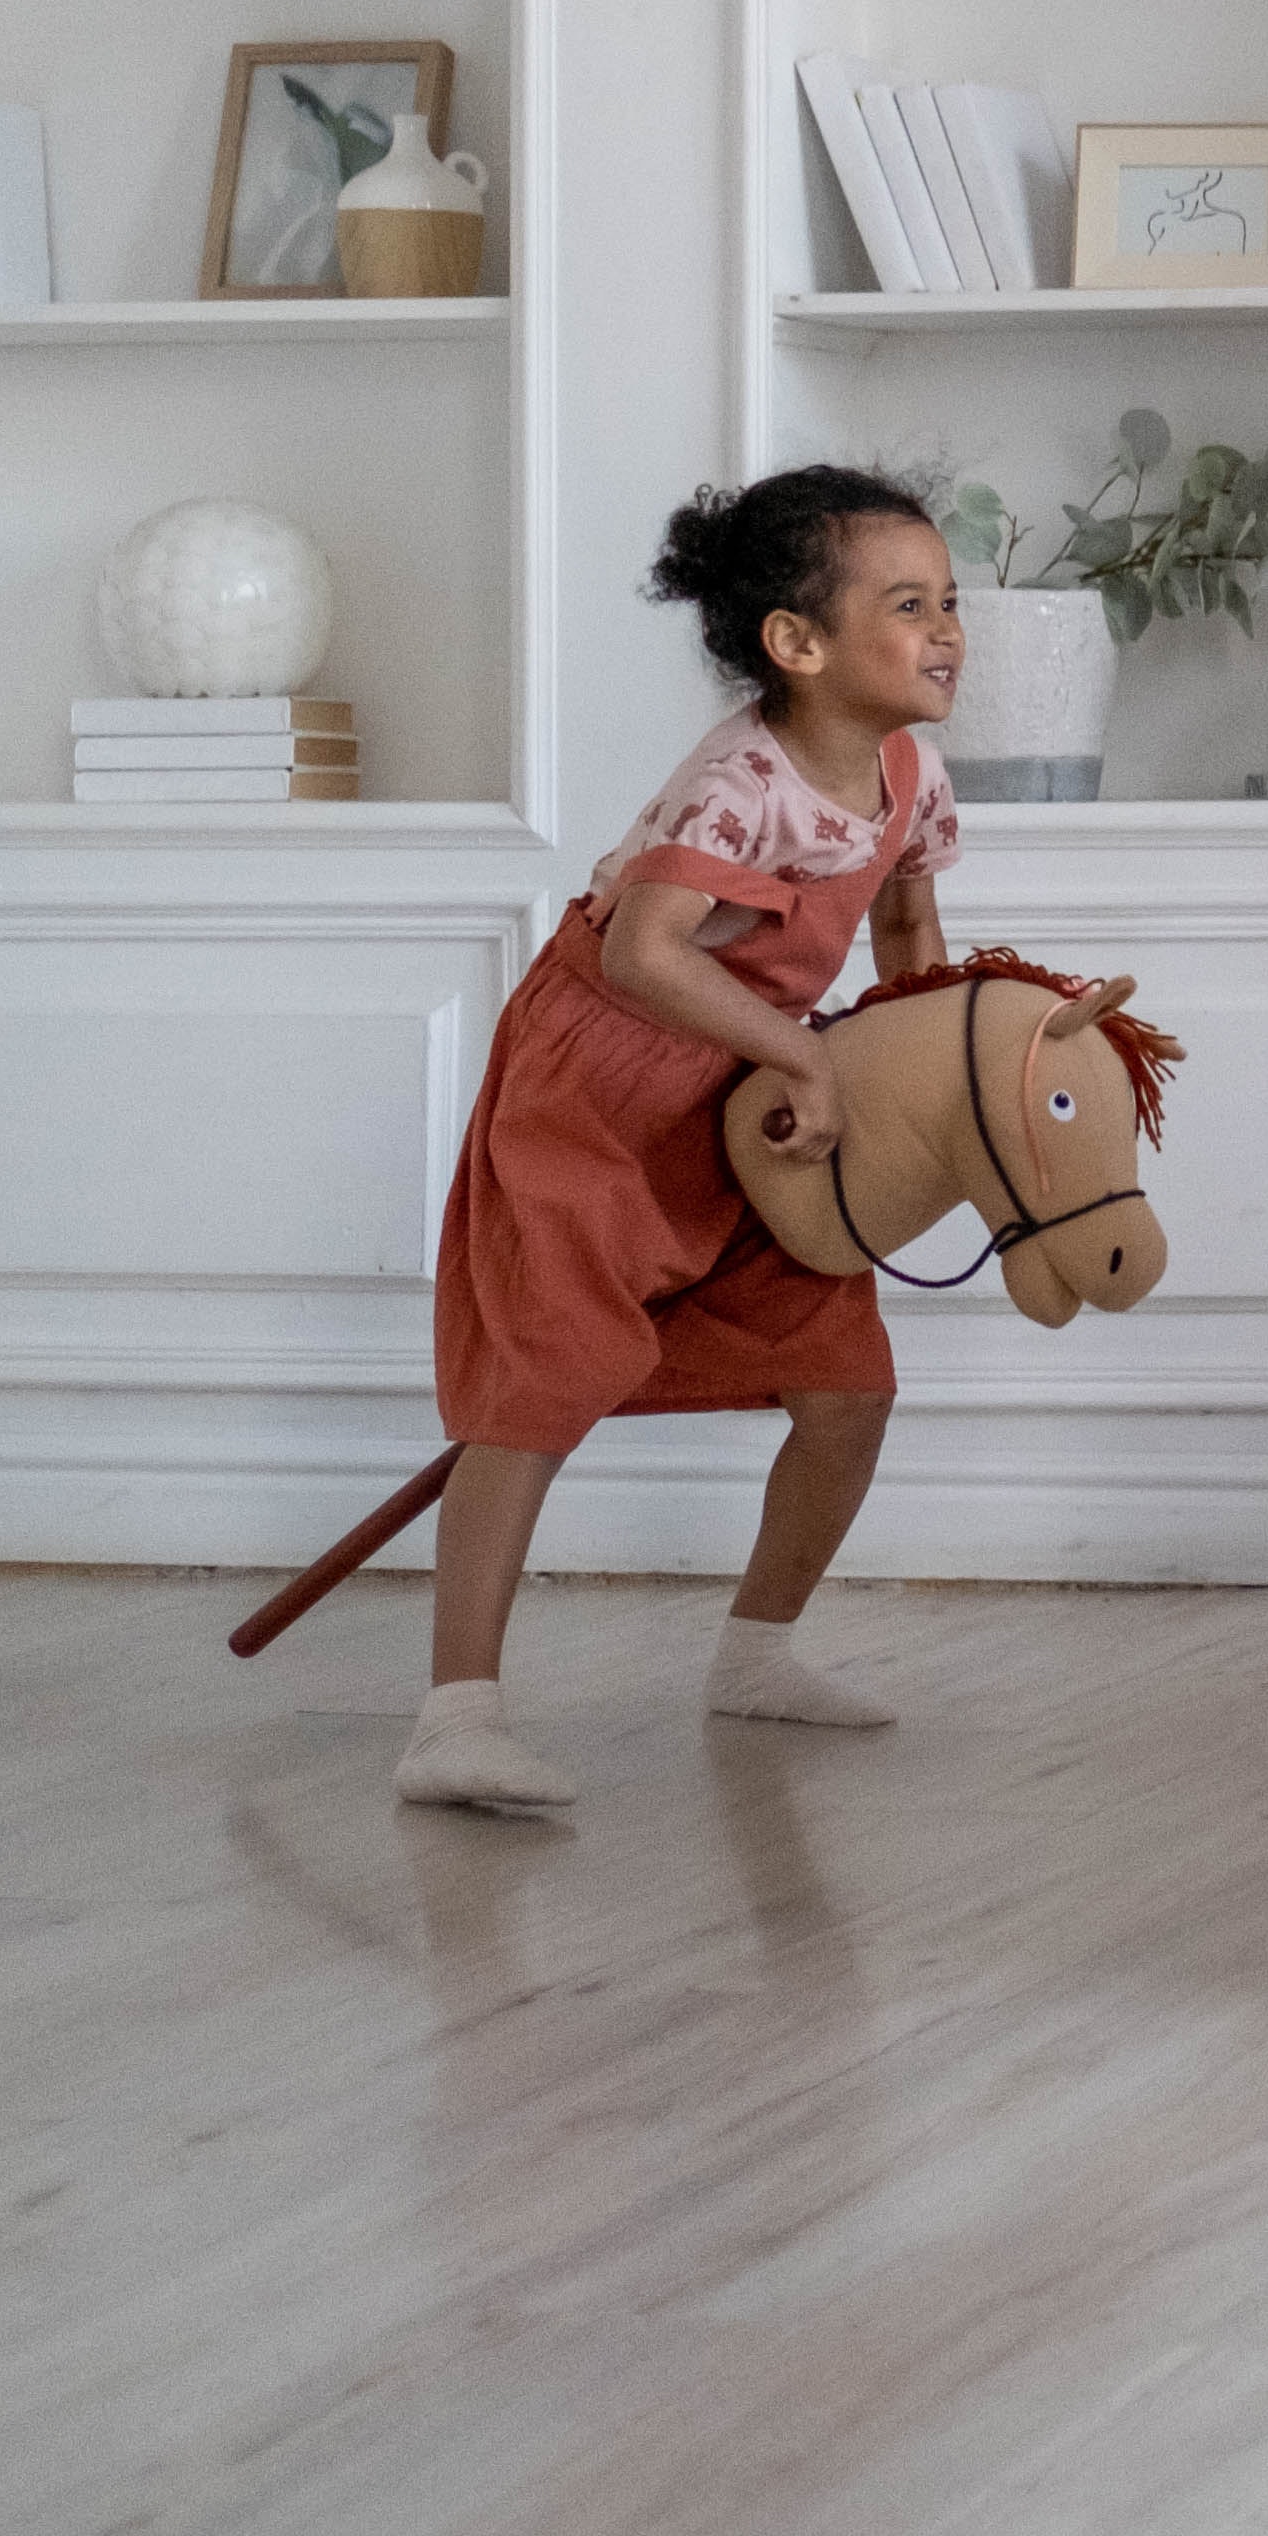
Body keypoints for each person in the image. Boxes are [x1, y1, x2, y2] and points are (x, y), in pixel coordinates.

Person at [394, 468, 970, 1813]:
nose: (948, 627)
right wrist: (804, 1048)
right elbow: (651, 955)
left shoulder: (906, 773)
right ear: (797, 642)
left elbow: (903, 933)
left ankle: (758, 1650)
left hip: (754, 1078)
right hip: (603, 1072)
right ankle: (453, 1716)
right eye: (908, 603)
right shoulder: (743, 780)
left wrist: (916, 1060)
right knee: (546, 1370)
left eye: (950, 601)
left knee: (844, 1380)